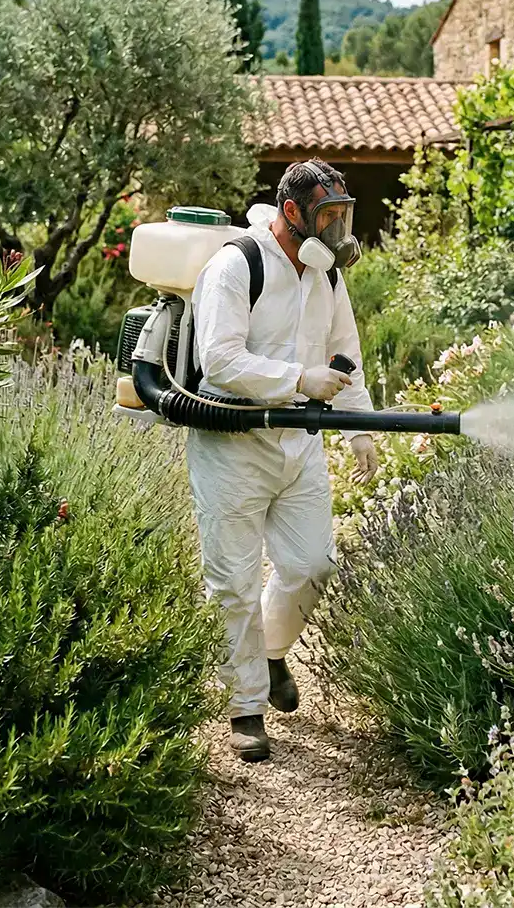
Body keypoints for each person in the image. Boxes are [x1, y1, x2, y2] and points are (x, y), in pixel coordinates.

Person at [187, 159, 379, 762]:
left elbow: (346, 354)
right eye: (328, 216)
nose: (338, 228)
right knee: (234, 582)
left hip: (299, 443)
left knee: (312, 565)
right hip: (233, 446)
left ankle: (270, 655)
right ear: (292, 213)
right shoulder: (236, 266)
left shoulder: (327, 276)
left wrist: (360, 429)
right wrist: (299, 378)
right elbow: (219, 361)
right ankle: (246, 708)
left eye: (343, 215)